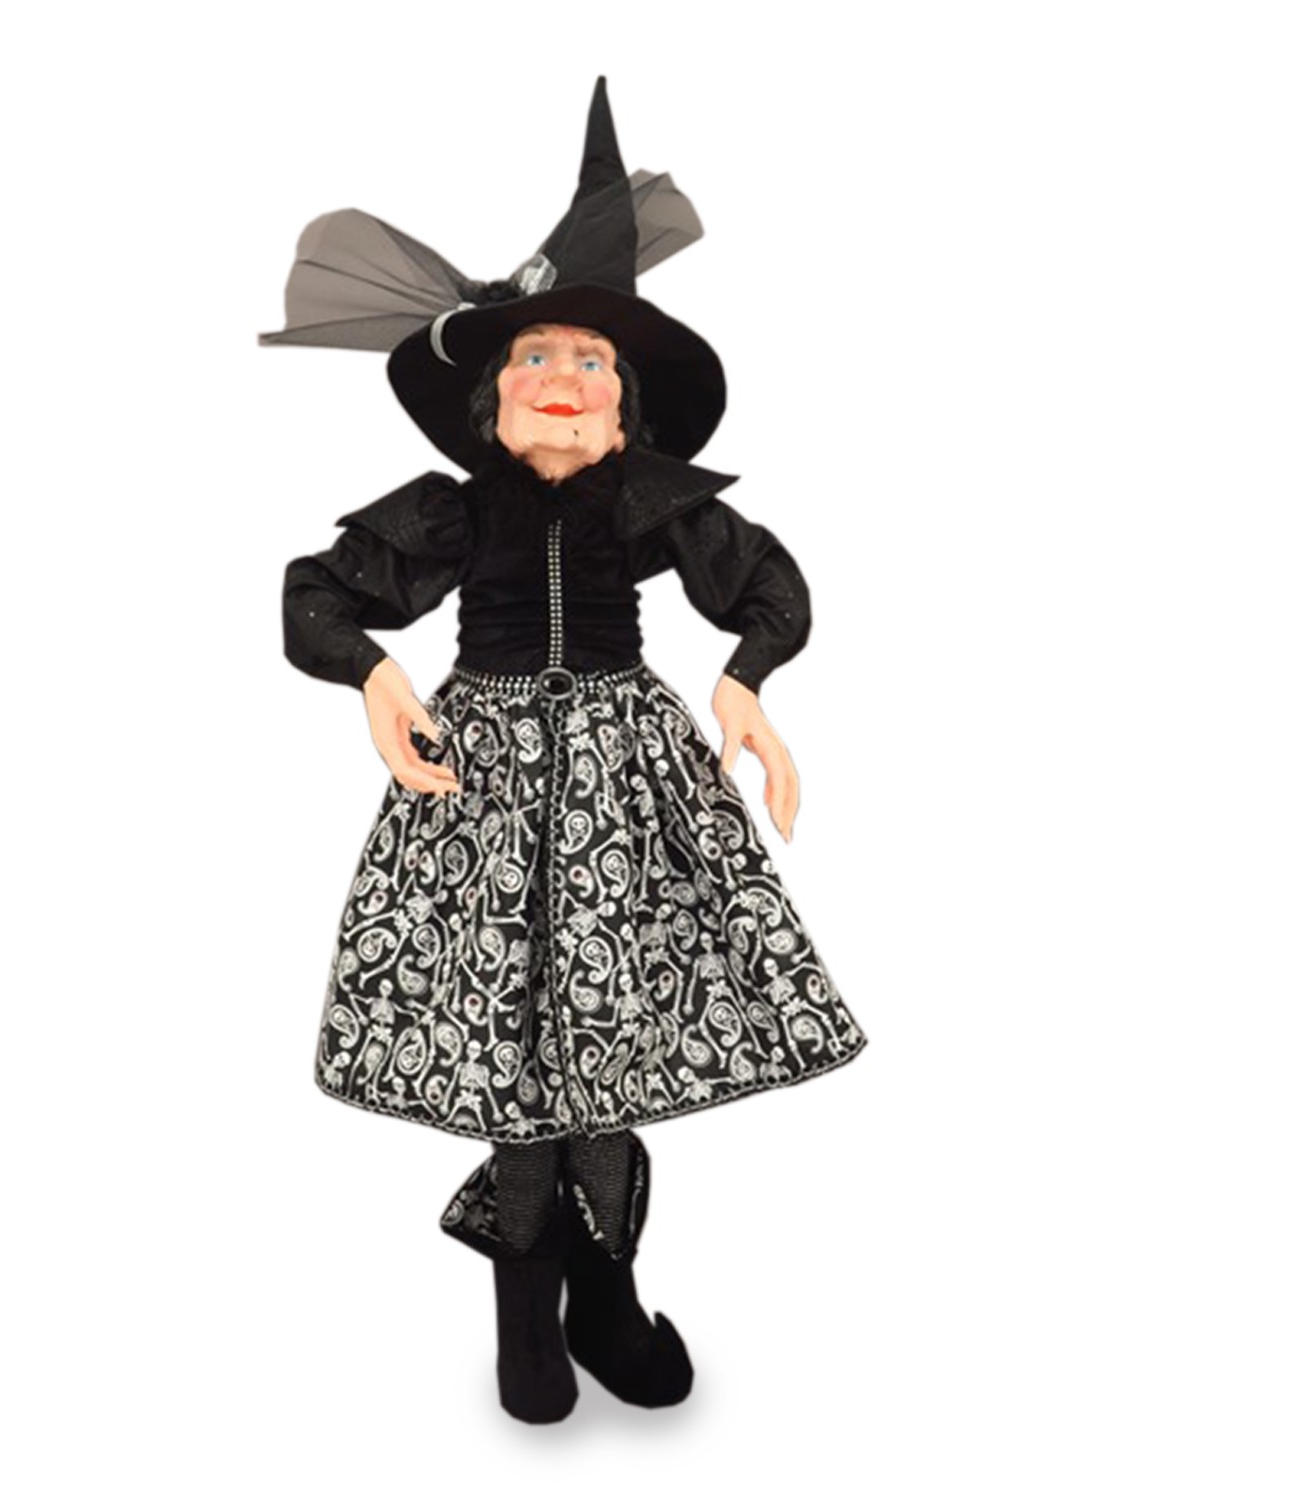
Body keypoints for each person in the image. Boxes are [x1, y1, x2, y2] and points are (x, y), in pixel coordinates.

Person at [264, 78, 869, 1424]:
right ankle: (524, 1323)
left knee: (608, 1024)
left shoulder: (650, 505)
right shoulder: (450, 512)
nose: (561, 378)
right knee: (509, 1034)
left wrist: (745, 684)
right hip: (475, 781)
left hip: (623, 785)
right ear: (488, 404)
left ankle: (604, 1299)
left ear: (625, 414)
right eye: (534, 358)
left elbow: (769, 585)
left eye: (591, 364)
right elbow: (318, 594)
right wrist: (373, 675)